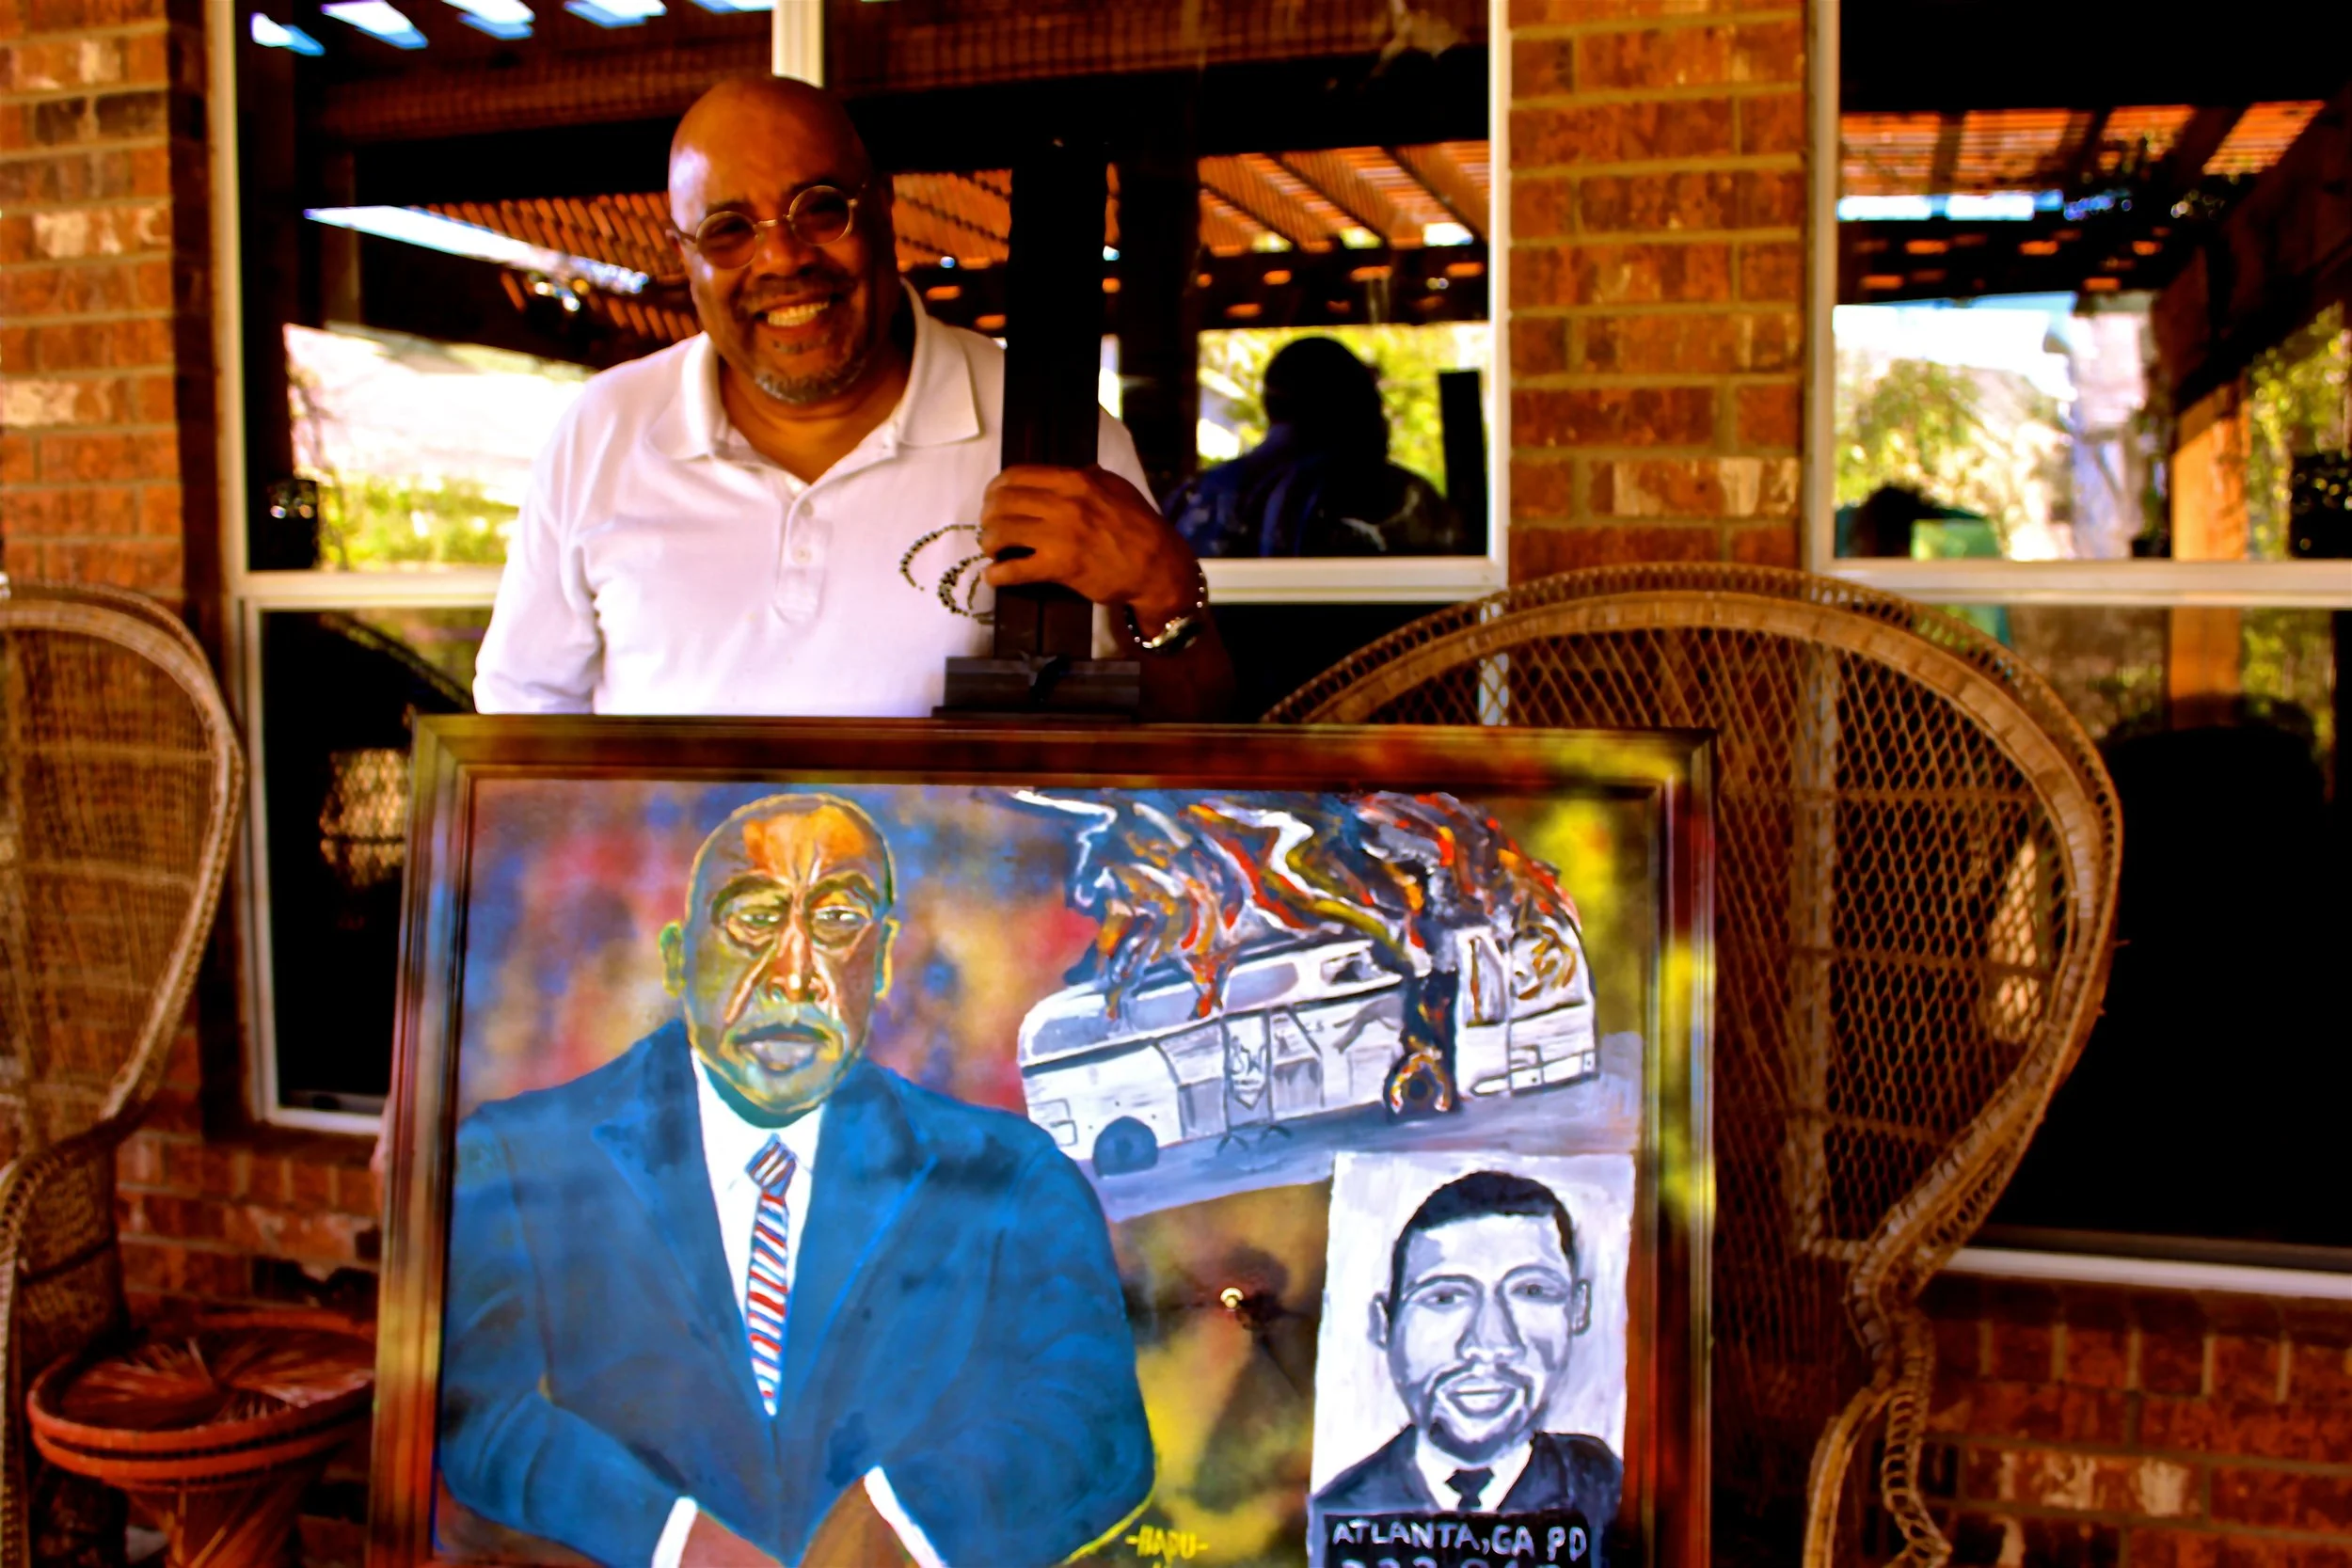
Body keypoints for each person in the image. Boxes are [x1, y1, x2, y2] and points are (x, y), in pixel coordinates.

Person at [438, 793, 1153, 1568]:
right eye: (752, 916)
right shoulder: (517, 1159)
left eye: (839, 921)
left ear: (881, 964)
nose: (794, 975)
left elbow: (1096, 1424)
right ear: (678, 958)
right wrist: (674, 1543)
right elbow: (475, 1409)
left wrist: (906, 1521)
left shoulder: (1012, 1175)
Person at [471, 75, 1232, 719]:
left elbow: (1179, 755)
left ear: (882, 206)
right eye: (728, 230)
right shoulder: (602, 432)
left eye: (819, 208)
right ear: (685, 257)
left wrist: (1167, 590)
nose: (782, 257)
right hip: (670, 898)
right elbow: (522, 728)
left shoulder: (1057, 434)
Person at [1310, 1171, 1620, 1563]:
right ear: (1385, 1324)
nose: (1490, 1343)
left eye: (1532, 1291)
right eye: (1445, 1297)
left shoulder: (1609, 1492)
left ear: (1578, 1310)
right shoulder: (1336, 1512)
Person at [1166, 336, 1468, 558]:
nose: (1382, 416)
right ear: (1350, 405)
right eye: (1372, 400)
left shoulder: (1192, 496)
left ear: (1270, 406)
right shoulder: (1389, 496)